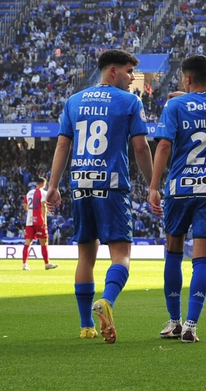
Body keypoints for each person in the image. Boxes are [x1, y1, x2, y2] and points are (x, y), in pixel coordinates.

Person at [46, 48, 154, 343]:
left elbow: (62, 146)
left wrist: (53, 187)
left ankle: (86, 325)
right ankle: (106, 300)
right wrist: (153, 183)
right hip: (112, 186)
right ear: (113, 71)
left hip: (80, 186)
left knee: (85, 256)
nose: (133, 78)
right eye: (129, 72)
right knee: (121, 255)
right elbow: (141, 148)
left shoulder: (74, 101)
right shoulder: (130, 101)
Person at [147, 53, 206, 343]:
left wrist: (153, 185)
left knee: (173, 252)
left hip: (180, 188)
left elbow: (163, 146)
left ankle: (174, 321)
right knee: (202, 259)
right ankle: (191, 326)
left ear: (186, 77)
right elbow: (204, 104)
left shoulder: (175, 105)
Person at [22, 178, 56, 270]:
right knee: (44, 243)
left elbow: (25, 206)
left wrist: (31, 213)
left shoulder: (29, 193)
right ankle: (47, 263)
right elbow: (43, 206)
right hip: (39, 221)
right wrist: (44, 221)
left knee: (27, 243)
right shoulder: (44, 193)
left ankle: (25, 264)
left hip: (29, 221)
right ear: (44, 184)